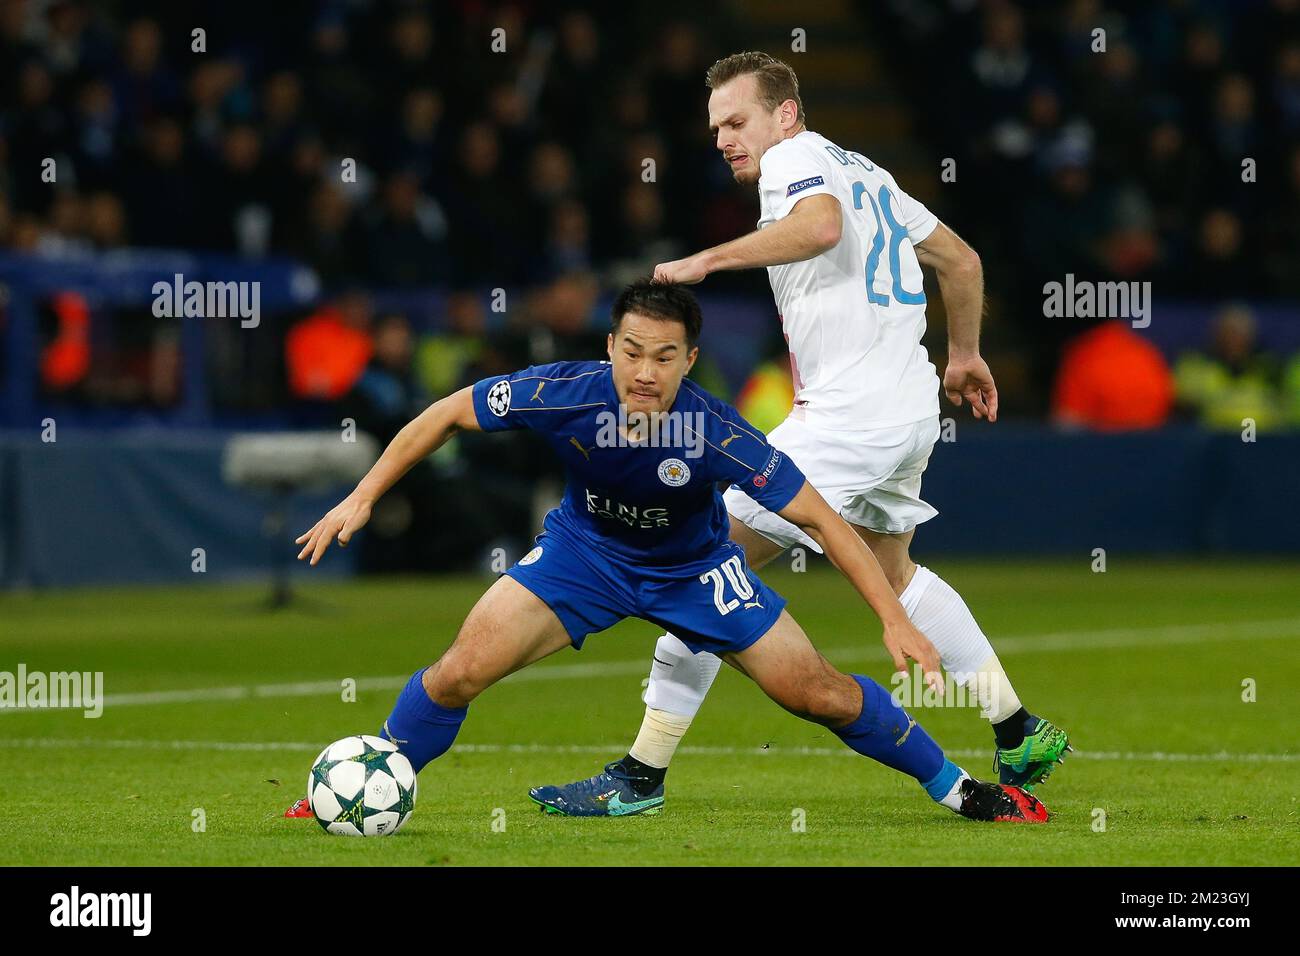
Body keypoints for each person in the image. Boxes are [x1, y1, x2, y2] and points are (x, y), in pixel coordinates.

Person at [289, 281, 1048, 825]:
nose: (643, 373)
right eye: (630, 352)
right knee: (457, 671)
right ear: (609, 347)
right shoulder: (566, 392)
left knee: (815, 693)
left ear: (689, 361)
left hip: (696, 574)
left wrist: (892, 617)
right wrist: (363, 496)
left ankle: (959, 790)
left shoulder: (716, 432)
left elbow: (821, 519)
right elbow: (448, 413)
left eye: (663, 357)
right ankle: (370, 778)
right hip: (581, 557)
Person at [535, 52, 1069, 817]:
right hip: (907, 410)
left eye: (737, 120)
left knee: (696, 566)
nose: (723, 138)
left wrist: (705, 261)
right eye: (715, 126)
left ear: (785, 113)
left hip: (851, 418)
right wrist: (962, 355)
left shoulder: (796, 159)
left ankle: (640, 775)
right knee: (894, 573)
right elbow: (961, 259)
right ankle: (1016, 727)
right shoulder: (871, 175)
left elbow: (817, 228)